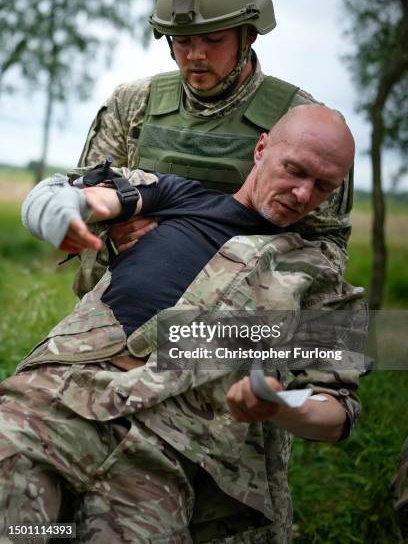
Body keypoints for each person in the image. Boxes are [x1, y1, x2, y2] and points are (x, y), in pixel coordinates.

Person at [0, 106, 363, 543]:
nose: (303, 194)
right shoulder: (178, 197)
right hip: (56, 403)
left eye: (323, 186)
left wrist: (285, 406)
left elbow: (337, 408)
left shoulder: (315, 279)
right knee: (17, 528)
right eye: (295, 170)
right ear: (262, 148)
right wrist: (61, 211)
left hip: (163, 455)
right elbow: (76, 196)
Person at [73, 0, 353, 298]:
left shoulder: (304, 124)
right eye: (183, 41)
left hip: (241, 314)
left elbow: (328, 246)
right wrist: (114, 227)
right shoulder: (132, 104)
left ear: (249, 34)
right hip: (129, 298)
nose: (196, 55)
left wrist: (238, 258)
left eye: (214, 40)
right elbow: (81, 197)